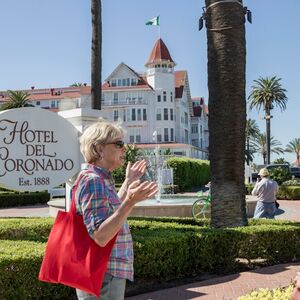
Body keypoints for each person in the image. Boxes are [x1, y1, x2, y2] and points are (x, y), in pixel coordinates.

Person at [73, 120, 158, 300]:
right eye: (119, 144)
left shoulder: (99, 179)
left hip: (104, 271)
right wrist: (129, 202)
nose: (124, 149)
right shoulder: (93, 181)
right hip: (104, 272)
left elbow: (107, 214)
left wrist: (128, 183)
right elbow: (100, 236)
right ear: (99, 149)